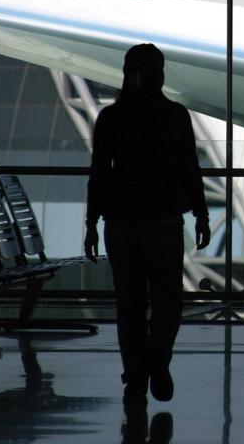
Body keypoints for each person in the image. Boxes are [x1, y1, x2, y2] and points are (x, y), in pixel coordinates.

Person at [84, 43, 211, 406]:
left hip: (121, 222)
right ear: (160, 73)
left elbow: (99, 174)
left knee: (130, 304)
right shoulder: (174, 116)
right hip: (163, 220)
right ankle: (159, 361)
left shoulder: (111, 118)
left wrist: (92, 221)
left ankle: (135, 376)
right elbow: (190, 167)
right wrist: (201, 213)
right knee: (168, 299)